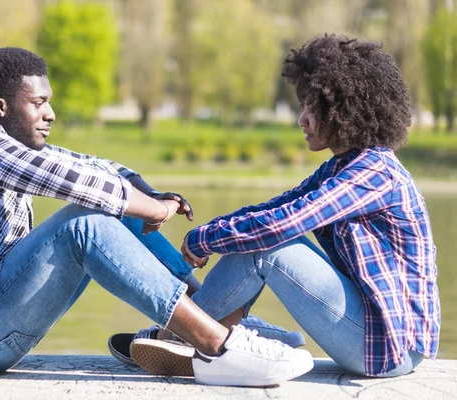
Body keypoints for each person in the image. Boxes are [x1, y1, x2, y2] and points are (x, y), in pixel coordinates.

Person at [0, 47, 314, 391]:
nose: (50, 113)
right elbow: (62, 178)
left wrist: (141, 187)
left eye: (48, 102)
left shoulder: (6, 143)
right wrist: (150, 207)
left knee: (111, 207)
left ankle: (209, 314)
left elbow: (83, 162)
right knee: (85, 223)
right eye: (38, 104)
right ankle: (218, 346)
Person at [125, 34, 441, 379]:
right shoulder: (342, 168)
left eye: (313, 109)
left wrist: (206, 239)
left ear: (346, 112)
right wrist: (212, 230)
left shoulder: (375, 172)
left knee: (266, 246)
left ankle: (178, 334)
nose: (302, 120)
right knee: (254, 235)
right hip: (374, 335)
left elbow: (281, 224)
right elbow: (271, 209)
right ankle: (223, 335)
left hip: (387, 348)